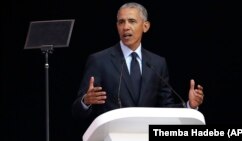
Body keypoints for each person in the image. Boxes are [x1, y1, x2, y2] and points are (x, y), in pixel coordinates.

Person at [72, 2, 204, 133]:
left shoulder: (157, 63)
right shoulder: (99, 60)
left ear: (145, 26)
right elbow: (77, 112)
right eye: (121, 22)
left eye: (132, 21)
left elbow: (166, 108)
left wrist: (189, 106)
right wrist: (86, 101)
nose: (126, 27)